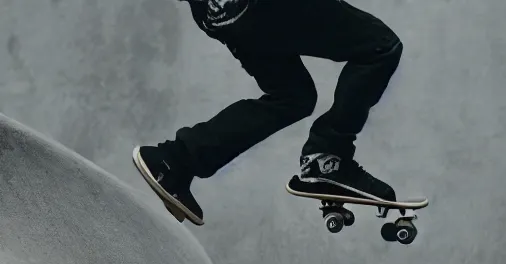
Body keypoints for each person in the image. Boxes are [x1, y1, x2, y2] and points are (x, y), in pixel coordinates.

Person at [133, 0, 402, 225]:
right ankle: (329, 160)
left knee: (293, 97)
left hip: (218, 13)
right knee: (379, 47)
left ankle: (173, 162)